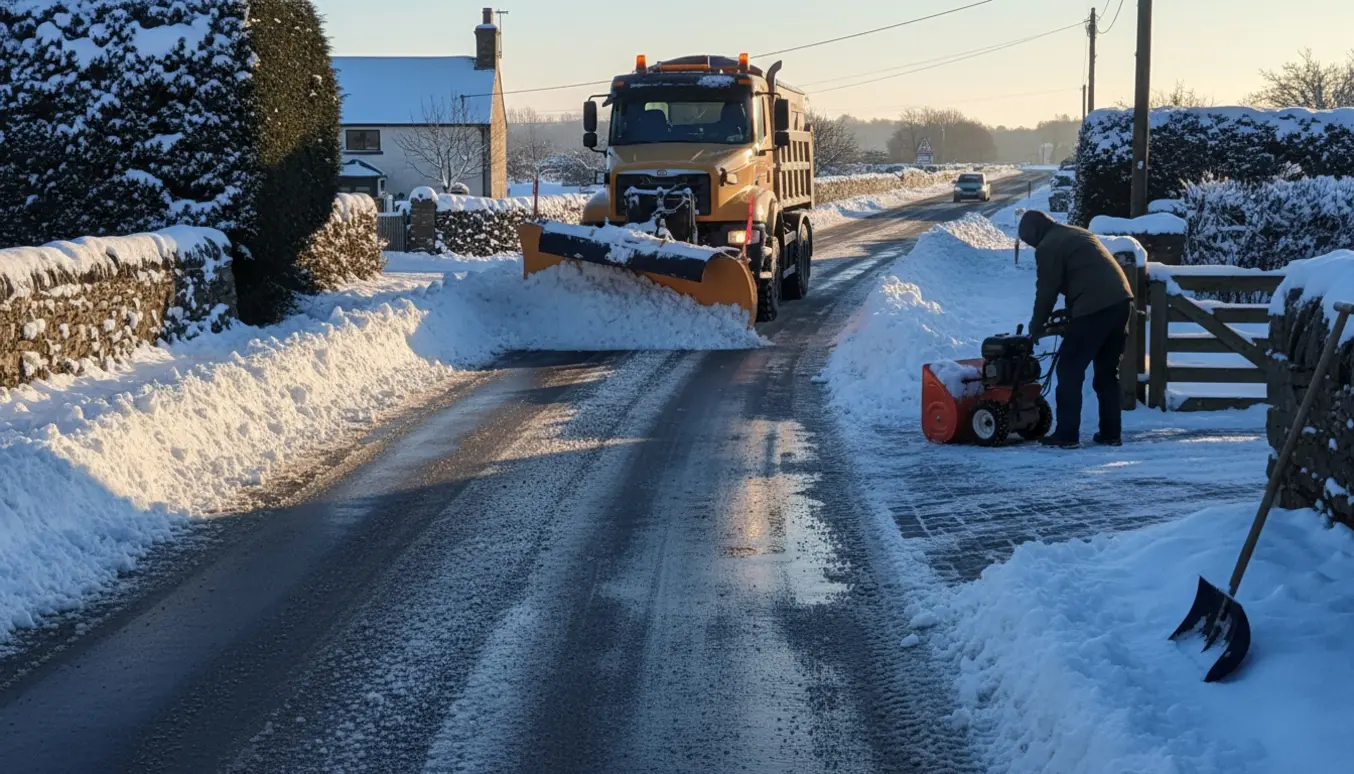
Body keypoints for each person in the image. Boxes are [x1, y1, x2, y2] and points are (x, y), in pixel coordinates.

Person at [1018, 210, 1134, 449]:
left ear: (1035, 235)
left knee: (1069, 369)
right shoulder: (1075, 233)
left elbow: (1047, 291)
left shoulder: (1048, 246)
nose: (1033, 247)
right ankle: (1111, 433)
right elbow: (1086, 275)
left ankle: (1066, 434)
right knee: (1106, 373)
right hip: (1122, 302)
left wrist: (1036, 326)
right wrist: (1070, 312)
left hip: (1095, 308)